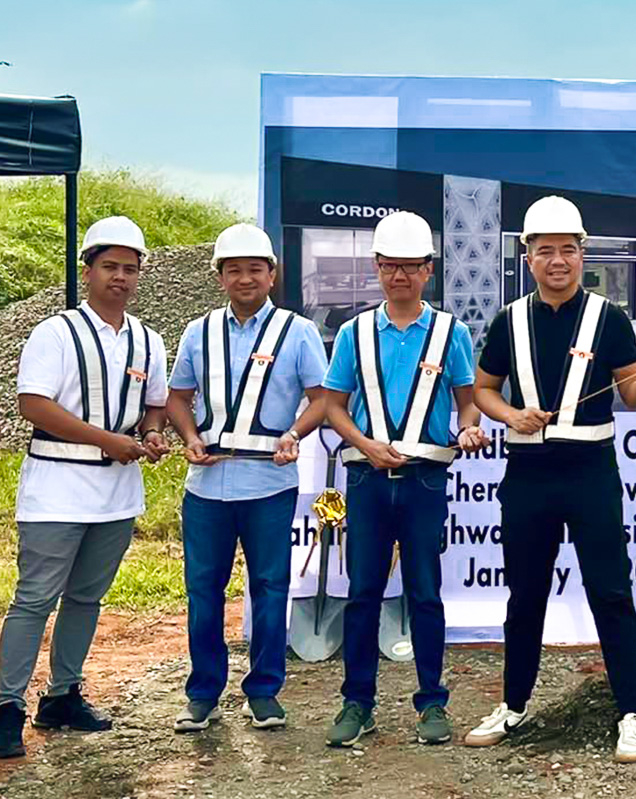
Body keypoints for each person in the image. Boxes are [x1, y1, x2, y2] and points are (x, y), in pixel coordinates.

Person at [465, 196, 636, 763]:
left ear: (583, 254)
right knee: (525, 594)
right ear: (528, 257)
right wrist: (510, 416)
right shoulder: (509, 320)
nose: (557, 261)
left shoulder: (610, 318)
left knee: (611, 590)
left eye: (568, 250)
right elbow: (483, 390)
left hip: (590, 472)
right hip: (528, 475)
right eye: (545, 251)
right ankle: (513, 706)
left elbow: (634, 395)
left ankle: (631, 713)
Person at [0, 216, 169, 758]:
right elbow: (33, 404)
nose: (120, 277)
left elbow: (155, 406)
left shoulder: (148, 340)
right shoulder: (55, 333)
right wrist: (107, 440)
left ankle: (62, 695)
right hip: (57, 486)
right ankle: (6, 707)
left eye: (129, 268)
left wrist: (151, 433)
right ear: (88, 271)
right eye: (109, 266)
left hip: (116, 492)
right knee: (34, 600)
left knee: (86, 598)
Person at [322, 211, 489, 748]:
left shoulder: (450, 332)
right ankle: (357, 702)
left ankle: (432, 703)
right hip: (367, 478)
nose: (400, 276)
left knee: (425, 592)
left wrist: (469, 429)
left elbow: (468, 401)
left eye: (411, 266)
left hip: (424, 480)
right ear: (376, 267)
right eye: (390, 266)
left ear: (428, 270)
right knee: (362, 593)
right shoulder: (354, 333)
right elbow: (333, 405)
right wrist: (366, 444)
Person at [166, 223, 328, 733]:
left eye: (254, 269)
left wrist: (294, 432)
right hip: (206, 487)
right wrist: (189, 436)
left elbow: (322, 398)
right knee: (203, 590)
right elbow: (177, 397)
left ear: (272, 275)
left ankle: (264, 692)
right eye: (233, 270)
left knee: (270, 588)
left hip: (269, 485)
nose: (244, 279)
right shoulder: (199, 332)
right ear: (220, 277)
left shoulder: (297, 332)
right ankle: (203, 693)